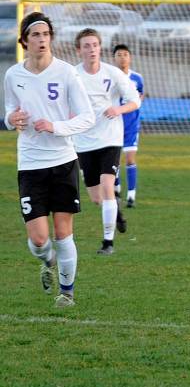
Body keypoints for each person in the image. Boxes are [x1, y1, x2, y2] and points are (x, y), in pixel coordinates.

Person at [5, 12, 96, 307]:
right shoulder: (13, 75)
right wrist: (11, 119)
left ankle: (66, 293)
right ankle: (48, 261)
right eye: (36, 35)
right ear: (24, 41)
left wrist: (55, 127)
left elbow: (88, 117)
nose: (42, 39)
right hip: (30, 164)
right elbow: (9, 113)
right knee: (39, 240)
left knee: (63, 232)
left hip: (63, 161)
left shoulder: (66, 73)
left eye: (46, 34)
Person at [73, 29, 141, 255]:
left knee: (107, 185)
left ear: (100, 48)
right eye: (86, 45)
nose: (92, 49)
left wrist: (118, 109)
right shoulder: (73, 75)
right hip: (84, 141)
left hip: (110, 138)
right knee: (96, 198)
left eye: (95, 45)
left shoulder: (113, 73)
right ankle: (116, 212)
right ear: (79, 50)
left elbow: (135, 101)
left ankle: (107, 243)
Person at [112, 44, 144, 208]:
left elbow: (140, 97)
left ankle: (131, 196)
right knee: (114, 160)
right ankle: (116, 191)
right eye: (119, 55)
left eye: (125, 54)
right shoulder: (110, 77)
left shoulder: (137, 78)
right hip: (114, 125)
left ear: (130, 58)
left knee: (130, 159)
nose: (122, 58)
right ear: (114, 58)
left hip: (131, 125)